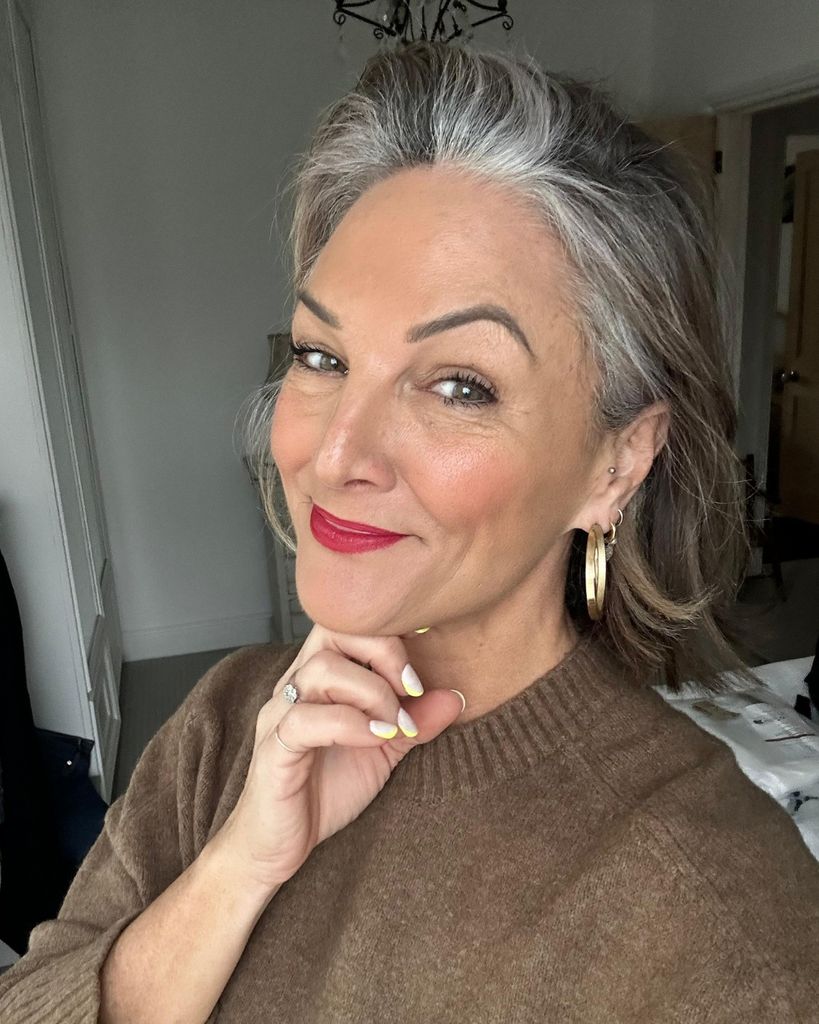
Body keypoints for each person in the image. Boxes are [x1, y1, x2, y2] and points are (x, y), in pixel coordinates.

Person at [2, 39, 818, 1024]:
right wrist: (239, 865)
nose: (335, 452)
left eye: (460, 385)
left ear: (617, 462)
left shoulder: (721, 925)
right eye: (321, 356)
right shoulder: (228, 725)